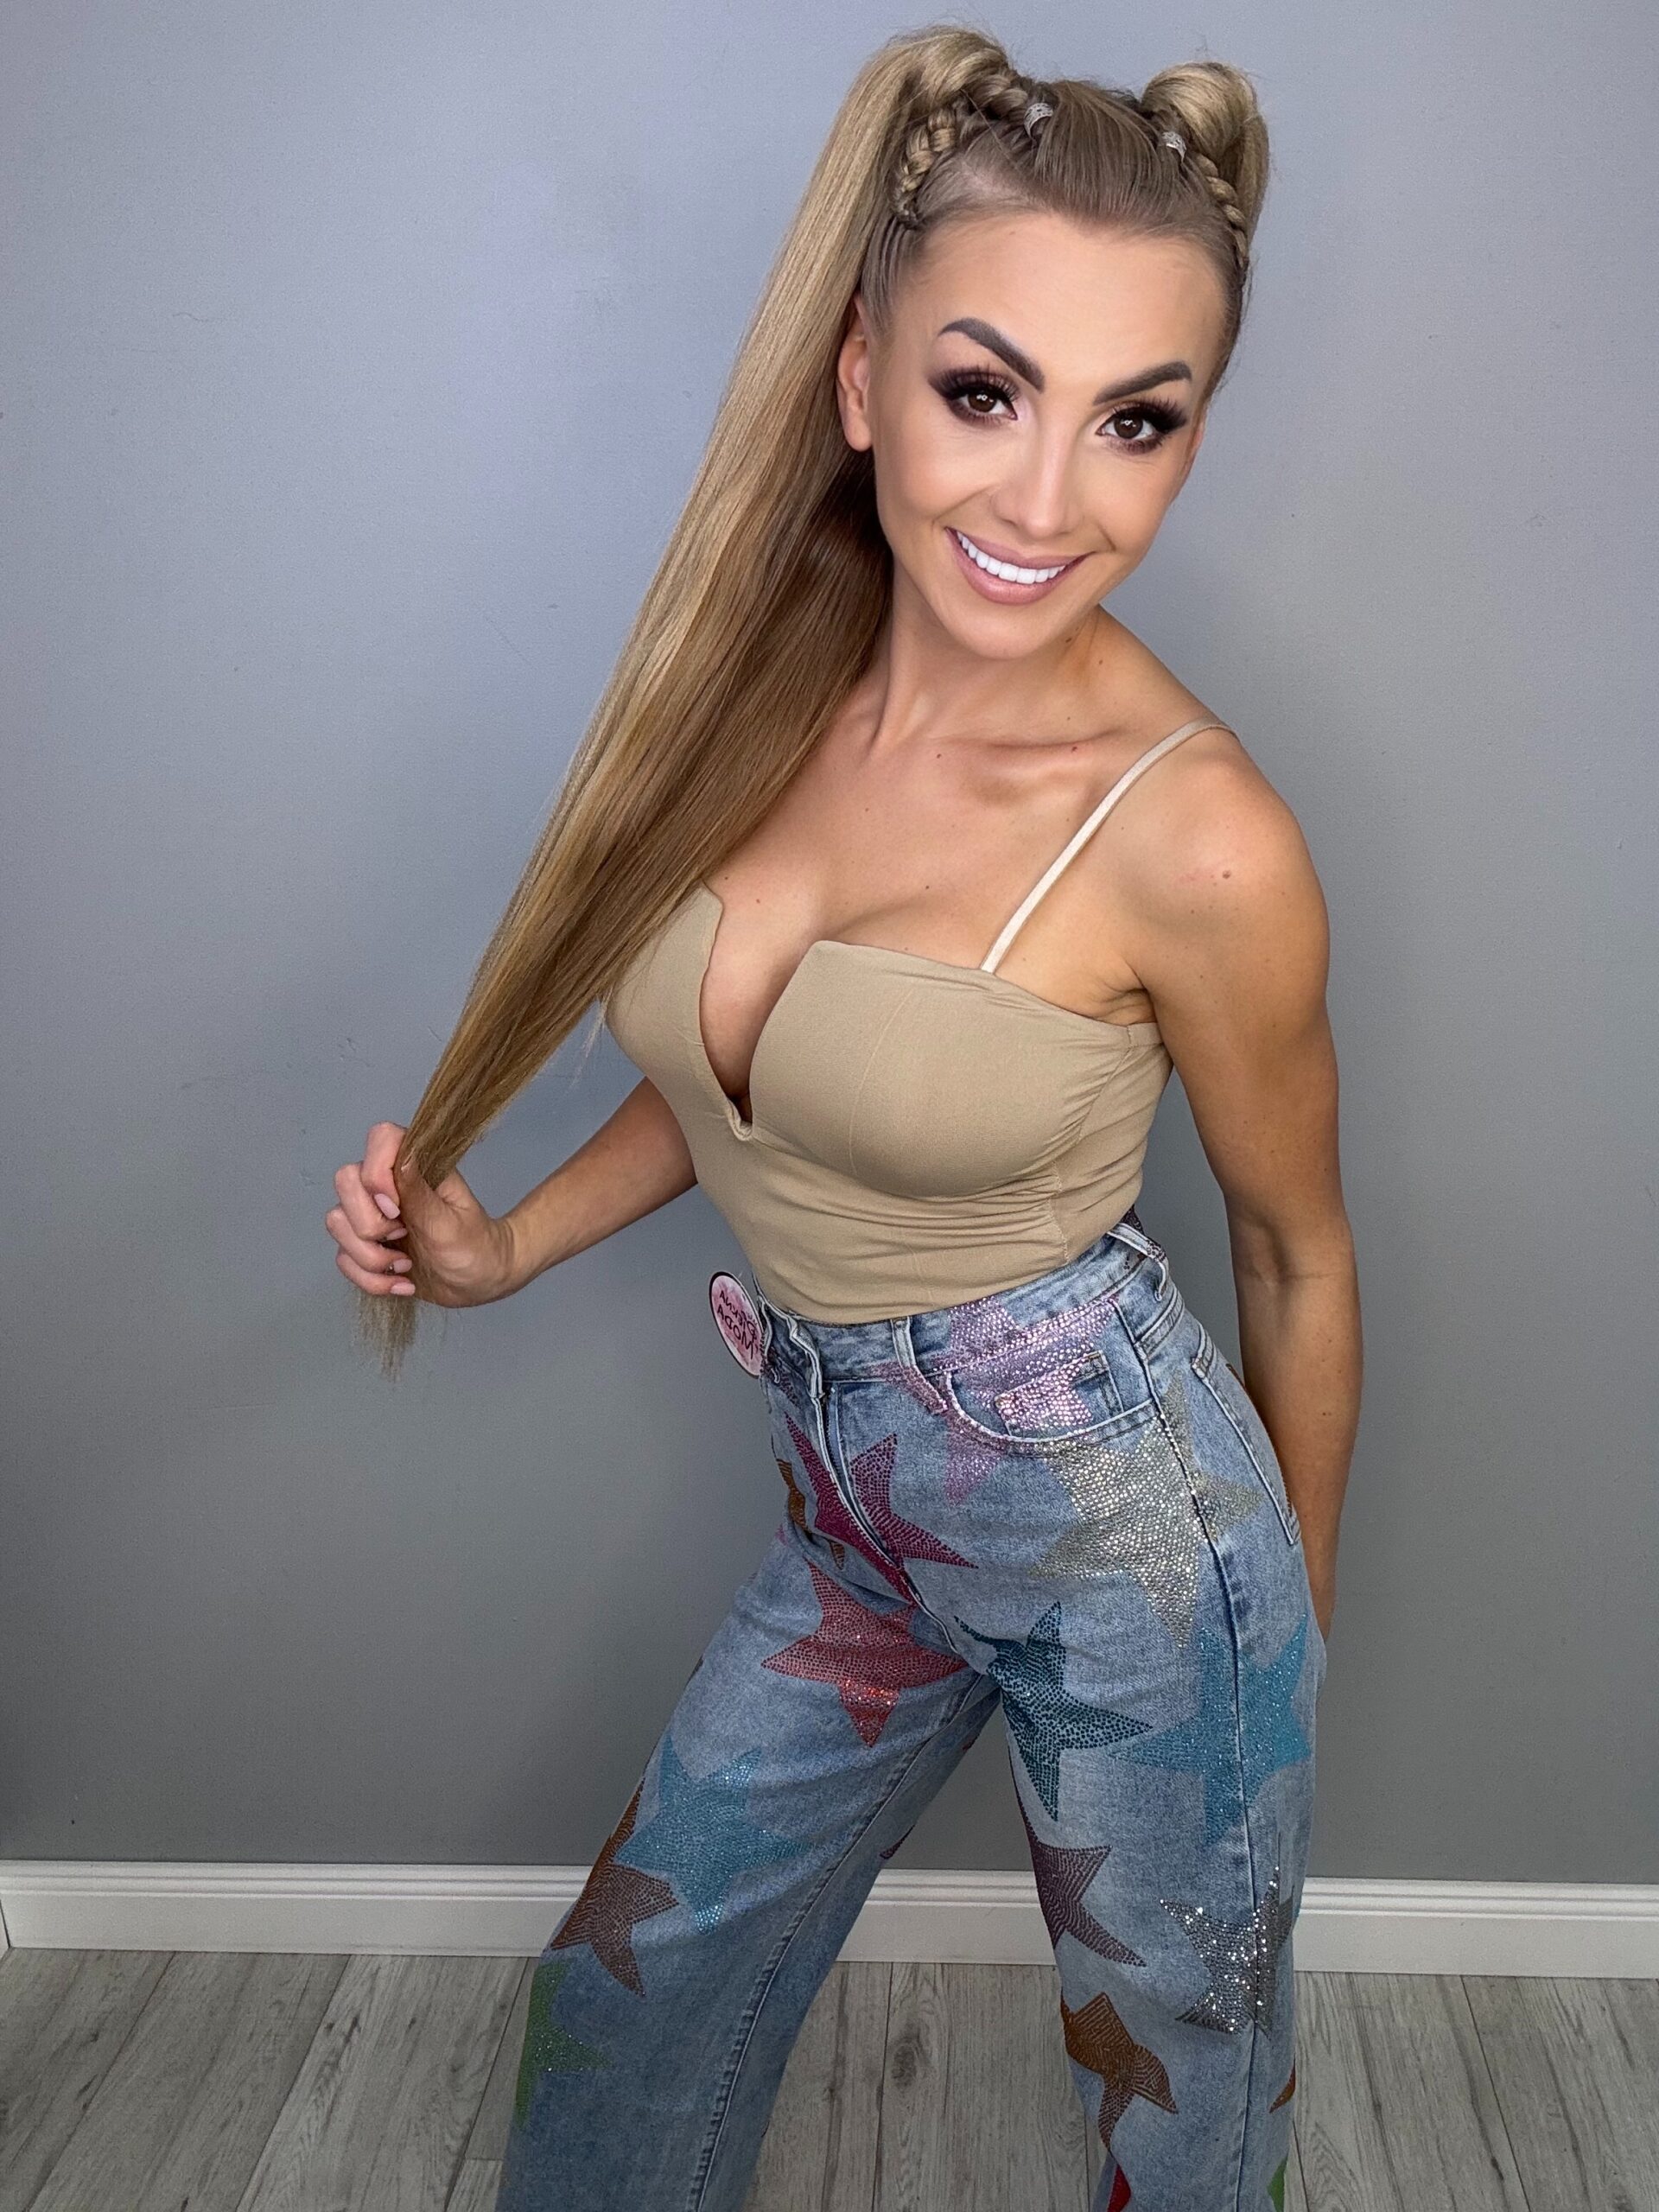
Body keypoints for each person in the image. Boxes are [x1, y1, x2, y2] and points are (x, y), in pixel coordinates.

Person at [326, 27, 1360, 2210]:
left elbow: (1299, 1256)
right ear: (864, 380)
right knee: (628, 1989)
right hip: (860, 1504)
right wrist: (506, 1243)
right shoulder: (762, 695)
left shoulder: (1200, 839)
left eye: (1140, 420)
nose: (1050, 501)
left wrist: (1277, 1682)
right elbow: (749, 1085)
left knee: (1178, 2120)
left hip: (1131, 1542)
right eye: (988, 390)